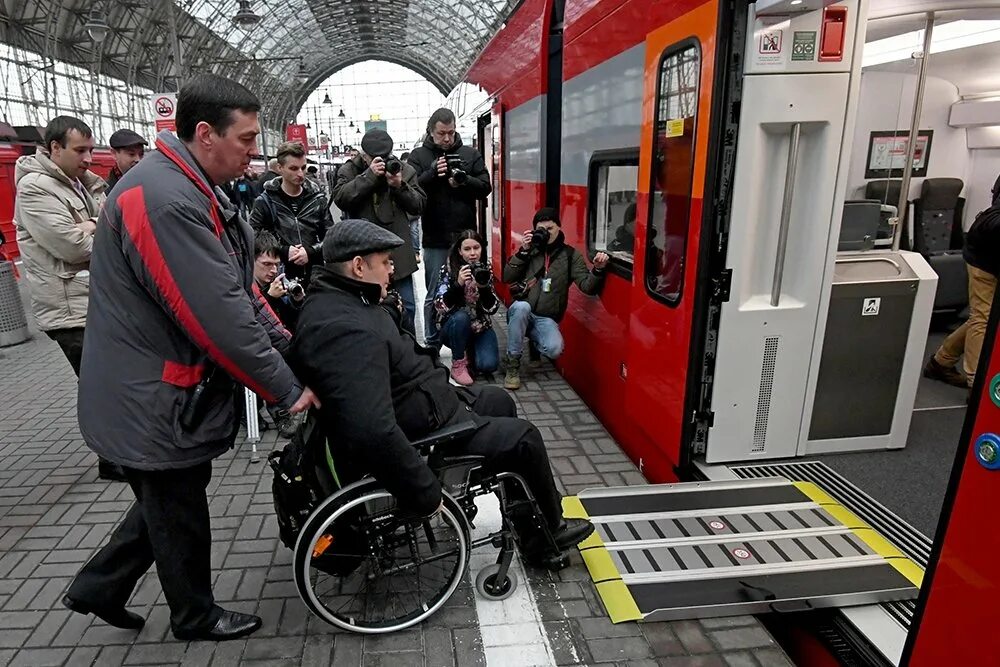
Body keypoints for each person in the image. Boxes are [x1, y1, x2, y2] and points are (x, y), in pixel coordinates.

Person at [63, 74, 319, 643]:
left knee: (168, 499)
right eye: (247, 138)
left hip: (153, 389)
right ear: (205, 134)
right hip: (149, 394)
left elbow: (235, 290)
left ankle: (98, 587)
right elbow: (217, 317)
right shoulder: (163, 199)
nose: (256, 151)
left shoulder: (186, 186)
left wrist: (286, 345)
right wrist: (287, 388)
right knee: (178, 506)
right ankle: (194, 616)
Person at [290, 219, 594, 568]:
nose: (392, 270)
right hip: (426, 430)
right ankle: (546, 532)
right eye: (386, 262)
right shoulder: (346, 329)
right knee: (524, 438)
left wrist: (384, 304)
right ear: (359, 266)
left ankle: (527, 518)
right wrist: (424, 491)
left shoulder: (338, 300)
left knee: (500, 400)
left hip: (424, 401)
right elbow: (373, 427)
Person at [12, 115, 126, 482]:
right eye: (81, 150)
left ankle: (117, 452)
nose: (89, 158)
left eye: (92, 149)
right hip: (68, 308)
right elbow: (73, 245)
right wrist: (95, 227)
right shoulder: (35, 189)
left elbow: (115, 226)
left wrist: (94, 226)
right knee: (97, 384)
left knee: (108, 380)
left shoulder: (82, 185)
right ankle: (111, 458)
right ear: (55, 148)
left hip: (92, 299)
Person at [406, 108, 491, 352]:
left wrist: (464, 182)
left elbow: (485, 186)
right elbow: (410, 189)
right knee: (434, 292)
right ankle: (432, 344)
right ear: (431, 132)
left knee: (470, 287)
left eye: (451, 132)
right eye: (441, 133)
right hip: (435, 237)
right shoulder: (419, 156)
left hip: (465, 237)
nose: (447, 138)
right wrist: (433, 173)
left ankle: (469, 341)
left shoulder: (469, 153)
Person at [501, 207, 610, 390]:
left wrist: (598, 270)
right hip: (522, 311)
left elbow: (587, 286)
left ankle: (534, 344)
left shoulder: (570, 255)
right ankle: (512, 364)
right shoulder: (530, 251)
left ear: (559, 228)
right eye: (540, 229)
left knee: (554, 349)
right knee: (522, 309)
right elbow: (507, 277)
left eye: (550, 229)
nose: (545, 233)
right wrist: (523, 252)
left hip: (546, 317)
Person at [334, 128, 425, 332]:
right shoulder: (350, 170)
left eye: (385, 158)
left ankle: (409, 350)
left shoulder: (402, 170)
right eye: (373, 159)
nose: (381, 163)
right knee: (367, 309)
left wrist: (400, 186)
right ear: (364, 155)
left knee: (407, 306)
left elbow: (418, 206)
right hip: (363, 253)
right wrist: (368, 177)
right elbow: (340, 198)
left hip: (398, 251)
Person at [924, 197, 1000, 394]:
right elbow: (992, 221)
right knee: (983, 317)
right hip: (986, 258)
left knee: (985, 317)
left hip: (989, 251)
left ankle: (942, 362)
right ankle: (977, 385)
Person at [249, 141, 332, 288]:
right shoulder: (265, 201)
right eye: (293, 168)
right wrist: (284, 250)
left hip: (315, 276)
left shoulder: (318, 199)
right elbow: (253, 235)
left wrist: (311, 251)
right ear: (280, 168)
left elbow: (331, 235)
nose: (300, 174)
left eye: (303, 168)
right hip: (279, 277)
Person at [251, 230, 303, 438]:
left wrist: (297, 300)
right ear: (252, 261)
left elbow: (291, 323)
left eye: (276, 265)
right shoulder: (244, 285)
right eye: (266, 265)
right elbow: (251, 320)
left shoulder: (279, 283)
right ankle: (257, 413)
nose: (273, 270)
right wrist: (268, 297)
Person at [433, 230, 500, 385]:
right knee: (461, 317)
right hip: (454, 327)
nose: (472, 253)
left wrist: (483, 287)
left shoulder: (485, 269)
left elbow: (493, 308)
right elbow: (439, 306)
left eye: (476, 248)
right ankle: (458, 363)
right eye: (467, 249)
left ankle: (469, 351)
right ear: (459, 251)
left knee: (488, 365)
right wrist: (458, 284)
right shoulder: (448, 269)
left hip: (479, 327)